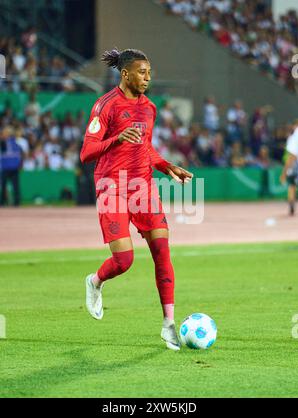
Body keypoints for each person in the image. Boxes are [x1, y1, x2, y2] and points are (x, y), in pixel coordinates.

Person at [80, 48, 193, 351]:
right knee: (124, 261)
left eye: (149, 72)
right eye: (142, 72)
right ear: (126, 73)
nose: (147, 78)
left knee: (162, 252)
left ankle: (169, 325)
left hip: (143, 188)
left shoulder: (150, 108)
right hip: (111, 188)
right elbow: (86, 153)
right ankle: (95, 281)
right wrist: (116, 138)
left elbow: (145, 148)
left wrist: (166, 165)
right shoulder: (105, 106)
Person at [280, 120, 298, 216]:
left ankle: (292, 207)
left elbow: (292, 155)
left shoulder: (294, 136)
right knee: (292, 186)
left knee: (292, 186)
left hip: (295, 164)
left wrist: (284, 172)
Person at [0, 126, 22, 206]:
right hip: (9, 167)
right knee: (8, 186)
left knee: (12, 186)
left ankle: (8, 202)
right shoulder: (12, 142)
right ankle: (7, 202)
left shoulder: (11, 142)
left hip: (10, 167)